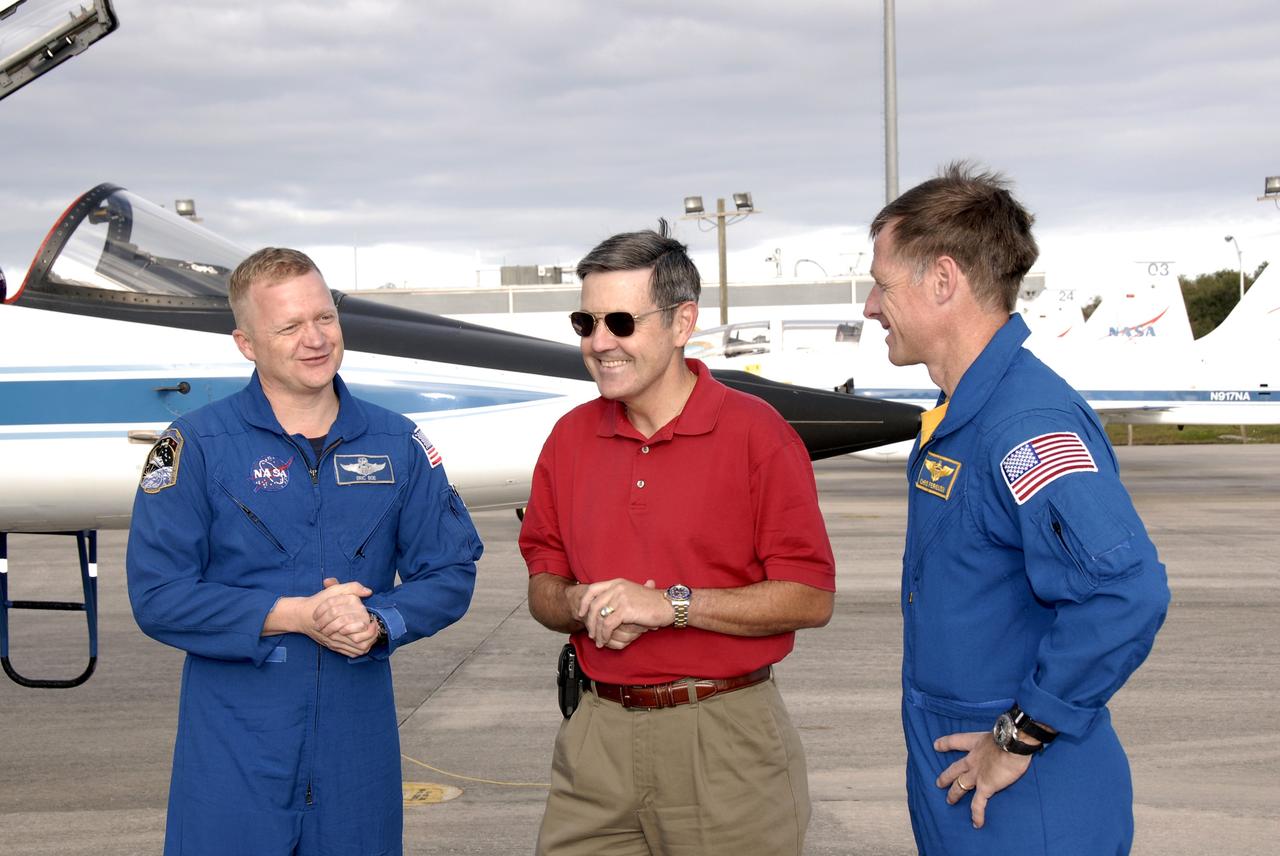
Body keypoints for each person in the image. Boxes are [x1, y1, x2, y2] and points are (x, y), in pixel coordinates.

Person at [126, 247, 481, 856]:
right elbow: (159, 596)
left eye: (324, 318)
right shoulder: (195, 446)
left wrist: (379, 621)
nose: (314, 339)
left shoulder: (398, 442)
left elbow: (449, 569)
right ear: (246, 342)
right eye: (289, 326)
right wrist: (294, 615)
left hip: (356, 751)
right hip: (234, 751)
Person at [864, 163, 1170, 855]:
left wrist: (1021, 732)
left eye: (881, 286)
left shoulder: (1025, 426)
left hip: (1026, 802)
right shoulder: (969, 414)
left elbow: (1125, 590)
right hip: (970, 788)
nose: (870, 307)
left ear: (943, 281)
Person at [519, 222, 836, 856]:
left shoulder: (757, 434)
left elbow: (810, 597)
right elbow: (542, 589)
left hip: (723, 742)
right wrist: (586, 602)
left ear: (682, 322)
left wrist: (670, 606)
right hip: (595, 735)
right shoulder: (569, 438)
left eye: (620, 323)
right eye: (586, 324)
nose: (599, 343)